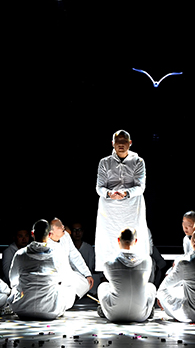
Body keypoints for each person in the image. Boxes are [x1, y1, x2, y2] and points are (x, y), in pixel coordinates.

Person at [95, 130, 150, 272]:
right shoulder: (104, 162)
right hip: (110, 209)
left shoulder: (138, 161)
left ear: (130, 143)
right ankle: (109, 272)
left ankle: (136, 269)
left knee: (134, 238)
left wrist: (125, 193)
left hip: (131, 208)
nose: (121, 144)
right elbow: (99, 187)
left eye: (124, 141)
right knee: (109, 240)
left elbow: (140, 187)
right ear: (112, 143)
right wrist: (109, 194)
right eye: (118, 141)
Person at [8, 219, 77, 320]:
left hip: (22, 310)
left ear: (32, 234)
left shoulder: (20, 254)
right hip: (50, 311)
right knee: (70, 286)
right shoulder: (58, 254)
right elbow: (67, 280)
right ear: (49, 235)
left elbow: (13, 280)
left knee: (16, 287)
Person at [97, 228, 156, 322]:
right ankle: (147, 309)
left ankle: (105, 310)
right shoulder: (147, 261)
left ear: (118, 240)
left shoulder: (109, 262)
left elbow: (110, 282)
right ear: (135, 241)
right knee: (150, 286)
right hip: (140, 315)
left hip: (114, 315)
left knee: (103, 286)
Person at [45, 218, 94, 299]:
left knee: (85, 283)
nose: (63, 227)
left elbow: (75, 255)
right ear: (51, 232)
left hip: (68, 276)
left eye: (62, 225)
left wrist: (87, 274)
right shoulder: (45, 243)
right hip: (52, 280)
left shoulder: (66, 236)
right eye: (59, 226)